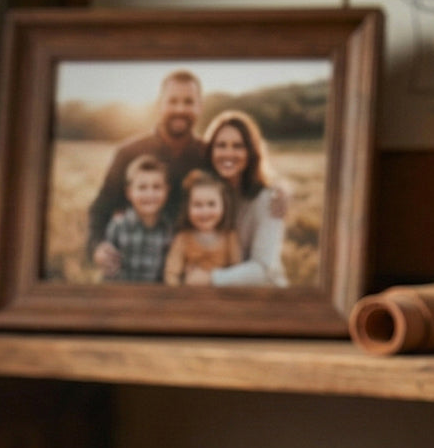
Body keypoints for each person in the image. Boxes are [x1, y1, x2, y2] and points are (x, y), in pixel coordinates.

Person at [87, 69, 207, 248]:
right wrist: (98, 247)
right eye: (172, 101)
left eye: (188, 102)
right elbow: (101, 208)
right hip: (136, 261)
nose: (180, 109)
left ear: (199, 106)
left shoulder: (208, 154)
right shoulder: (128, 152)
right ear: (159, 104)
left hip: (193, 262)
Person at [200, 110, 289, 287]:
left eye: (238, 146)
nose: (228, 153)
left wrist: (211, 279)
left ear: (251, 152)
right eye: (221, 145)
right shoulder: (207, 194)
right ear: (211, 151)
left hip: (266, 296)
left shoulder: (269, 199)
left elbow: (264, 268)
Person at [93, 154, 172, 282]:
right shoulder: (118, 226)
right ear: (129, 193)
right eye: (142, 187)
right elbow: (108, 271)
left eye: (157, 187)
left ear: (167, 191)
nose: (150, 194)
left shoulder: (168, 228)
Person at [164, 170, 241, 285]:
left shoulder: (229, 237)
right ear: (187, 208)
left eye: (211, 204)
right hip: (190, 298)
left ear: (223, 205)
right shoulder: (183, 238)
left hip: (223, 298)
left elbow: (237, 273)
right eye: (197, 205)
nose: (205, 211)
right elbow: (171, 273)